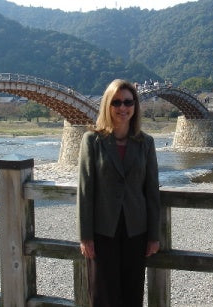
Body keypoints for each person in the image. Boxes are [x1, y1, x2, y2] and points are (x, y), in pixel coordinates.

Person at [77, 79, 161, 307]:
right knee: (102, 295)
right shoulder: (92, 141)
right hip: (103, 231)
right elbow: (85, 191)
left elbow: (152, 191)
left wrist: (154, 235)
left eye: (128, 102)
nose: (123, 108)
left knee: (132, 294)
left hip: (137, 231)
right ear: (107, 105)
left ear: (135, 106)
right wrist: (85, 236)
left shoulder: (146, 143)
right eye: (116, 102)